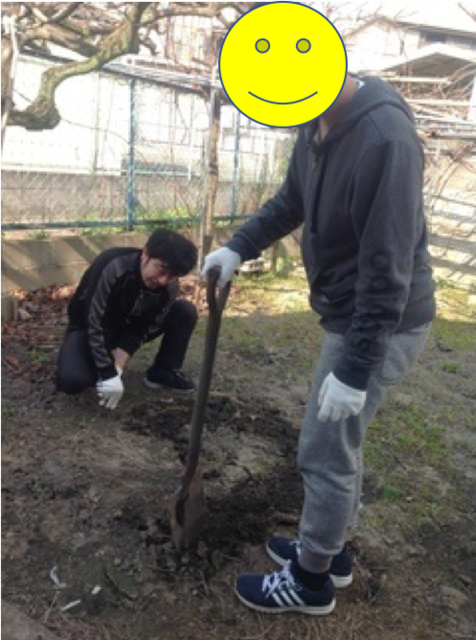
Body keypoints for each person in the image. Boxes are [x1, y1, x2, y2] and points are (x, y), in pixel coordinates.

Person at [202, 73, 436, 615]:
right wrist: (239, 246)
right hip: (350, 311)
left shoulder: (385, 139)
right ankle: (330, 552)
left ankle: (311, 581)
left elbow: (388, 267)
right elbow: (292, 200)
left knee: (325, 449)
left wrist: (355, 369)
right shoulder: (314, 122)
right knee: (337, 444)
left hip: (378, 321)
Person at [56, 228, 198, 409]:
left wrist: (117, 366)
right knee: (72, 381)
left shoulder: (169, 288)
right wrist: (107, 372)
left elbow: (143, 326)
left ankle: (163, 370)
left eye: (173, 275)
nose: (163, 280)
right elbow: (93, 320)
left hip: (126, 326)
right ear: (145, 255)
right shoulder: (113, 265)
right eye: (162, 269)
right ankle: (86, 357)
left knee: (184, 310)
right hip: (88, 325)